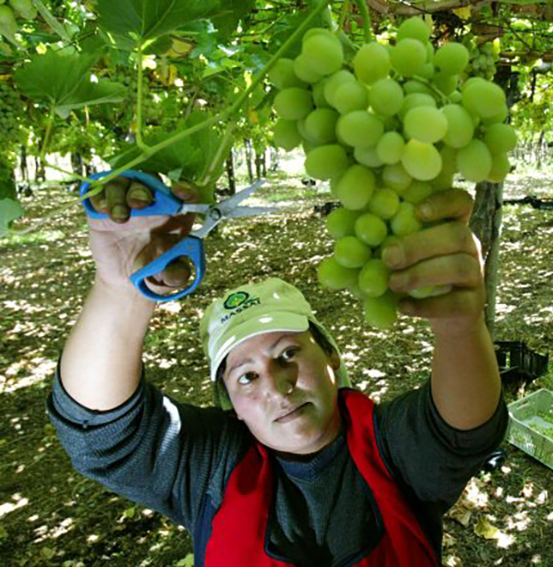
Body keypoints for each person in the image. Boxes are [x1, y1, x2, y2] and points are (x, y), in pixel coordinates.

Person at [48, 174, 508, 566]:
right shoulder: (212, 467)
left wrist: (460, 330)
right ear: (230, 403)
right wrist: (120, 286)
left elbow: (459, 432)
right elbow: (100, 433)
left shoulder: (388, 445)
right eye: (245, 375)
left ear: (332, 357)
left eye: (288, 353)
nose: (277, 384)